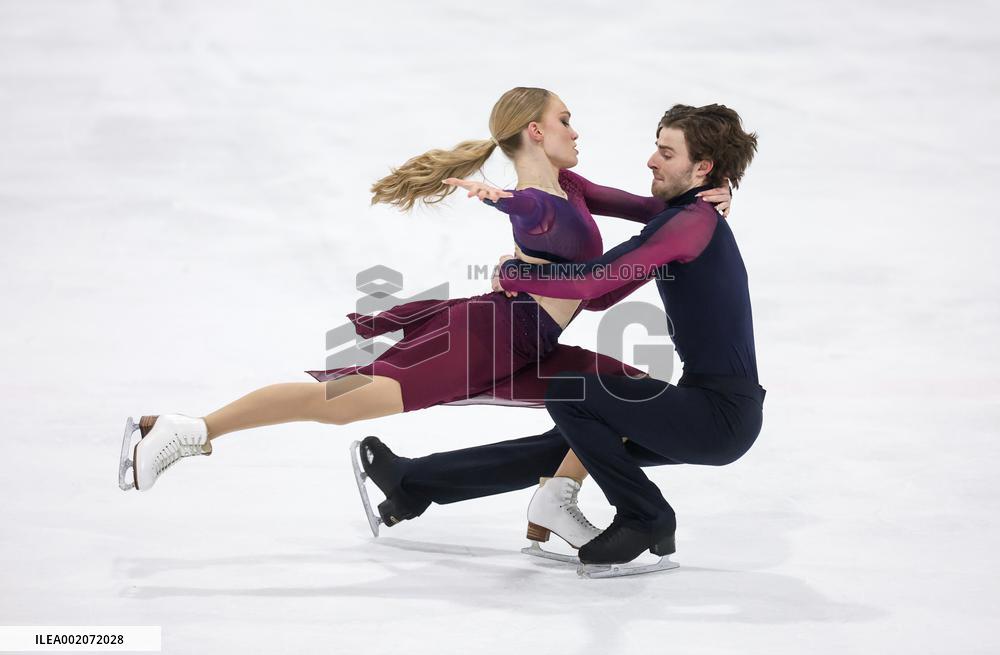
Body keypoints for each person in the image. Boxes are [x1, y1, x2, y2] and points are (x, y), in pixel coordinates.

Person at [119, 87, 732, 528]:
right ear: (536, 132)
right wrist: (500, 202)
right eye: (565, 119)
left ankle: (558, 497)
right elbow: (529, 213)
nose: (578, 130)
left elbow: (660, 218)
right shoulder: (536, 200)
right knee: (339, 402)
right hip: (488, 336)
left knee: (624, 395)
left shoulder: (572, 187)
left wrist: (712, 194)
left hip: (529, 341)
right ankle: (190, 431)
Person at [357, 103, 763, 571]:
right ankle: (411, 484)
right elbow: (600, 296)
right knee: (570, 439)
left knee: (573, 395)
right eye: (656, 147)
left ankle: (646, 516)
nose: (651, 160)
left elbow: (593, 282)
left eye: (666, 153)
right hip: (712, 410)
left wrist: (518, 275)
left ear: (703, 166)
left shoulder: (692, 223)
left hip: (720, 415)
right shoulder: (684, 220)